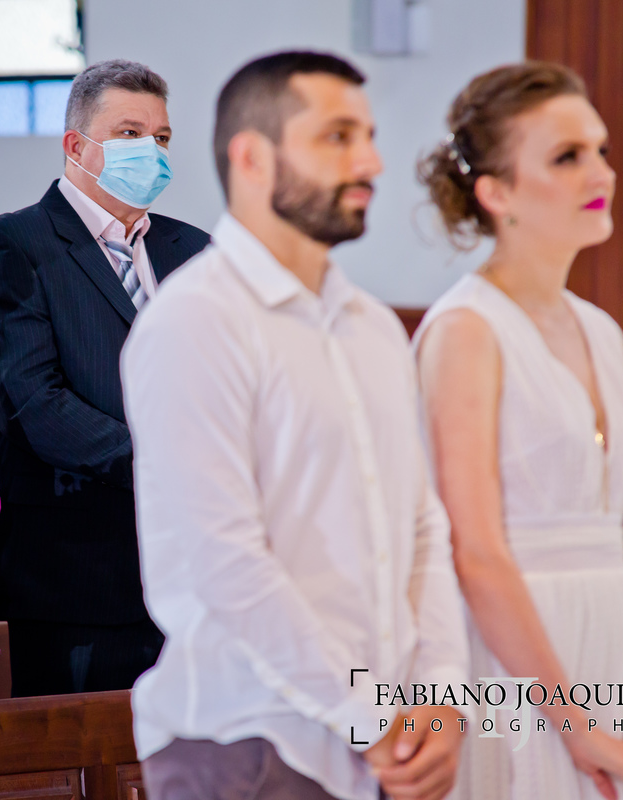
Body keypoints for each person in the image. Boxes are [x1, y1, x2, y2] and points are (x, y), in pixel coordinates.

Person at [122, 51, 468, 800]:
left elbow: (421, 527)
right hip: (248, 743)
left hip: (385, 743)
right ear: (252, 158)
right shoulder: (196, 321)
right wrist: (371, 716)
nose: (371, 161)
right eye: (338, 137)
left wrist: (444, 695)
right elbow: (227, 562)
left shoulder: (374, 327)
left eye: (368, 136)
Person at [414, 62, 623, 800]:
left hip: (620, 655)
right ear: (496, 192)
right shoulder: (465, 331)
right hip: (518, 671)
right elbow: (476, 553)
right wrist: (575, 726)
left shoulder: (603, 331)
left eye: (600, 150)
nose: (601, 173)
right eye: (567, 157)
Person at [0, 59, 211, 696]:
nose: (151, 150)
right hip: (75, 572)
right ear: (76, 146)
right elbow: (33, 405)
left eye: (161, 137)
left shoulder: (194, 250)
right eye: (130, 134)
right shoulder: (12, 244)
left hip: (194, 572)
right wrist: (172, 464)